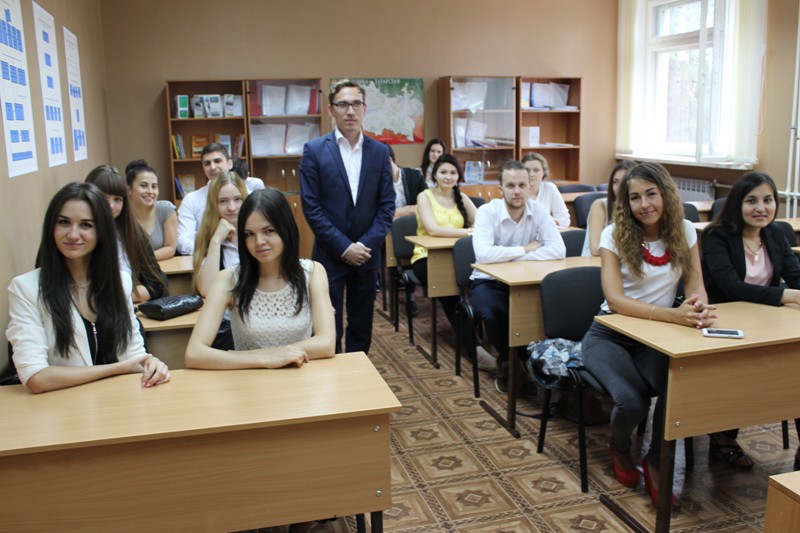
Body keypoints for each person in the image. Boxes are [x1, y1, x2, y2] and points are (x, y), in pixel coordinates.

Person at [581, 162, 716, 505]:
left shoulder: (685, 230)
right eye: (635, 197)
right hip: (610, 333)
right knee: (633, 402)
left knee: (676, 388)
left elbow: (695, 282)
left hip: (658, 336)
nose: (644, 204)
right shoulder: (614, 234)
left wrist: (698, 307)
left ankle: (656, 460)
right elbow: (615, 299)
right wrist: (673, 315)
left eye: (651, 194)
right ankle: (620, 445)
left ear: (666, 193)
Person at [7, 182, 170, 394]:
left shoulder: (120, 282)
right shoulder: (26, 288)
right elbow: (36, 377)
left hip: (120, 401)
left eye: (86, 225)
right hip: (63, 406)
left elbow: (134, 355)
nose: (73, 234)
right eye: (64, 222)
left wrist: (150, 363)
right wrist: (119, 369)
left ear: (102, 231)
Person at [701, 171, 800, 469]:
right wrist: (788, 296)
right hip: (725, 323)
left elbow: (795, 275)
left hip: (765, 322)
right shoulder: (717, 236)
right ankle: (723, 436)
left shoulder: (776, 234)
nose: (761, 208)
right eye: (751, 201)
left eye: (768, 200)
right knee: (740, 373)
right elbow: (732, 287)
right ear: (737, 204)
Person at [185, 188, 335, 369]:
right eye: (249, 234)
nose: (259, 242)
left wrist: (279, 354)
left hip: (300, 376)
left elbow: (326, 343)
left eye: (269, 231)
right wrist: (266, 358)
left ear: (286, 229)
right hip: (249, 379)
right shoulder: (228, 279)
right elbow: (194, 353)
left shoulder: (312, 273)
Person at [300, 79, 395, 354]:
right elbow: (311, 206)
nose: (350, 111)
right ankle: (331, 378)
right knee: (327, 326)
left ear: (365, 108)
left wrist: (364, 245)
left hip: (367, 254)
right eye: (343, 104)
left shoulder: (380, 152)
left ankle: (357, 374)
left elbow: (387, 206)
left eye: (356, 104)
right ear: (331, 109)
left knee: (361, 326)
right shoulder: (315, 151)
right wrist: (344, 247)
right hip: (330, 254)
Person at [470, 160, 567, 394]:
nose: (517, 191)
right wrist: (525, 249)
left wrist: (510, 257)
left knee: (546, 311)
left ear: (529, 187)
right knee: (494, 311)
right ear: (500, 189)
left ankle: (523, 360)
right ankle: (509, 361)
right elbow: (483, 254)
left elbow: (558, 250)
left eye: (522, 185)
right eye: (510, 185)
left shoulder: (539, 211)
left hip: (524, 280)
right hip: (488, 280)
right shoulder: (487, 212)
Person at [410, 154, 490, 366]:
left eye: (453, 172)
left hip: (458, 258)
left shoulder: (461, 197)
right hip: (426, 258)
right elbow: (433, 230)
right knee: (451, 294)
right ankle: (475, 350)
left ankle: (488, 337)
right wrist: (468, 233)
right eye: (443, 172)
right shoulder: (424, 197)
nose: (448, 176)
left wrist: (476, 230)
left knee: (487, 286)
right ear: (435, 175)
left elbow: (483, 222)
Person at [86, 165, 167, 303]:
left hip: (123, 309)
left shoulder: (134, 234)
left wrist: (117, 300)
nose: (111, 206)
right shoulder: (77, 236)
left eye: (117, 199)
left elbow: (155, 285)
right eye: (103, 198)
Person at [176, 143, 265, 255]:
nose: (212, 167)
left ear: (229, 163)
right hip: (207, 259)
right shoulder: (191, 199)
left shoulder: (249, 195)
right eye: (207, 163)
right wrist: (215, 248)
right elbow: (182, 241)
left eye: (217, 161)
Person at [192, 171, 248, 298]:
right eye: (223, 201)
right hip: (223, 309)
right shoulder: (208, 237)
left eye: (237, 199)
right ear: (214, 205)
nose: (232, 207)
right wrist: (216, 240)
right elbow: (206, 290)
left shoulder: (255, 235)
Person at [125, 159, 177, 261]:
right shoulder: (122, 213)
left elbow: (170, 248)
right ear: (129, 189)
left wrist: (143, 259)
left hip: (161, 267)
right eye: (143, 186)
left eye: (154, 186)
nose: (150, 191)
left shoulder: (166, 209)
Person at [582, 160, 637, 256]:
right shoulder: (600, 206)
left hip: (625, 262)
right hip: (595, 262)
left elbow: (643, 244)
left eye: (624, 182)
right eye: (615, 182)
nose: (618, 188)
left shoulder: (638, 208)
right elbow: (595, 249)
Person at [521, 152, 570, 228]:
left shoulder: (550, 188)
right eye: (527, 170)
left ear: (543, 172)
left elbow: (565, 219)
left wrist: (549, 222)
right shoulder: (515, 191)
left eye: (536, 170)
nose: (531, 174)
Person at [387, 143, 427, 218]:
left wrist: (411, 210)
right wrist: (399, 212)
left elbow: (429, 201)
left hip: (412, 221)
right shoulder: (376, 183)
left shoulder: (415, 176)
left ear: (389, 159)